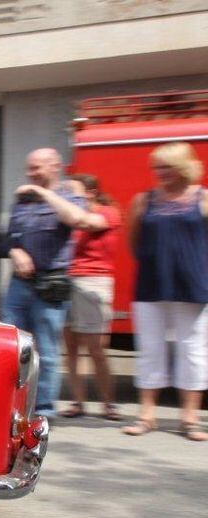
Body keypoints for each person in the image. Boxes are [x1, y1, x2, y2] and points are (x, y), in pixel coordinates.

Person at [0, 147, 96, 418]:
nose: (31, 174)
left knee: (48, 352)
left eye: (37, 168)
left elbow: (77, 220)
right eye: (29, 168)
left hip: (50, 285)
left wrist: (44, 193)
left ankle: (42, 411)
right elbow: (6, 238)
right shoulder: (21, 202)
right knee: (13, 348)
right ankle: (11, 407)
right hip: (19, 285)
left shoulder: (70, 198)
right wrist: (14, 251)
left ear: (56, 167)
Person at [122, 142, 208, 440]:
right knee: (150, 349)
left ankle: (190, 419)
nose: (161, 173)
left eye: (167, 166)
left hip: (193, 285)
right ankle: (147, 415)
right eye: (157, 167)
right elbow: (133, 242)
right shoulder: (143, 201)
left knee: (193, 350)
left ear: (184, 167)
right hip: (151, 283)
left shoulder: (204, 198)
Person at [59, 174, 122, 420]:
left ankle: (109, 404)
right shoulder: (67, 218)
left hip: (93, 280)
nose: (70, 197)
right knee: (71, 347)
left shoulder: (108, 213)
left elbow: (88, 223)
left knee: (96, 348)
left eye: (75, 192)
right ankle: (78, 402)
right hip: (67, 280)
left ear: (92, 192)